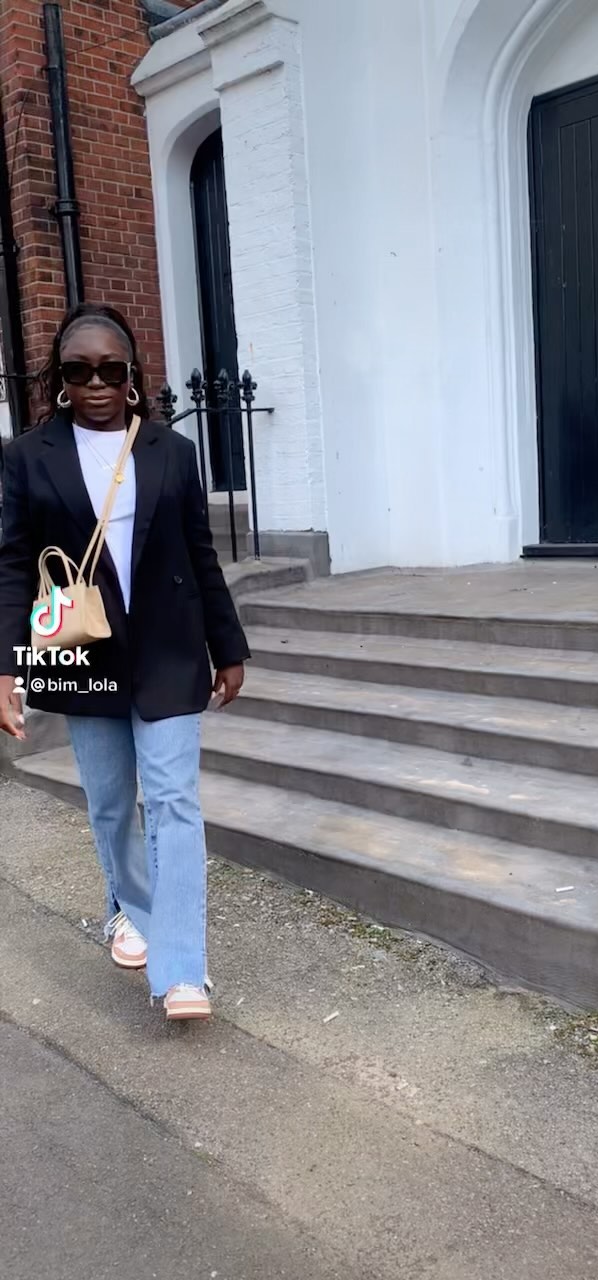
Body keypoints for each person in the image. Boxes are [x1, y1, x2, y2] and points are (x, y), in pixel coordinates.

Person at [0, 303, 251, 1022]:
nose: (97, 383)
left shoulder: (172, 450)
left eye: (112, 370)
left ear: (133, 374)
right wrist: (5, 668)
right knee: (111, 803)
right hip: (83, 652)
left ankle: (182, 972)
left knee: (173, 802)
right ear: (59, 378)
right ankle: (128, 908)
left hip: (169, 647)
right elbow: (13, 564)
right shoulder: (29, 455)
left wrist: (228, 646)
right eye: (79, 370)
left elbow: (200, 553)